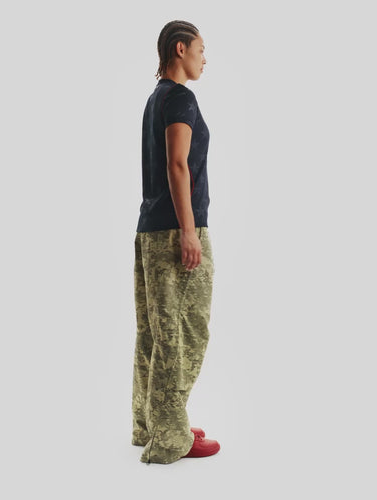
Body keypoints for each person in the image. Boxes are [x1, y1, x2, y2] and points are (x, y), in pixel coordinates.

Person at [131, 20, 220, 464]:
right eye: (201, 49)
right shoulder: (181, 97)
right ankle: (169, 436)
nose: (205, 58)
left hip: (149, 230)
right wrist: (188, 230)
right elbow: (178, 164)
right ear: (180, 49)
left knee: (154, 332)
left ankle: (152, 422)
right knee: (183, 332)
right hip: (174, 232)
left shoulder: (157, 99)